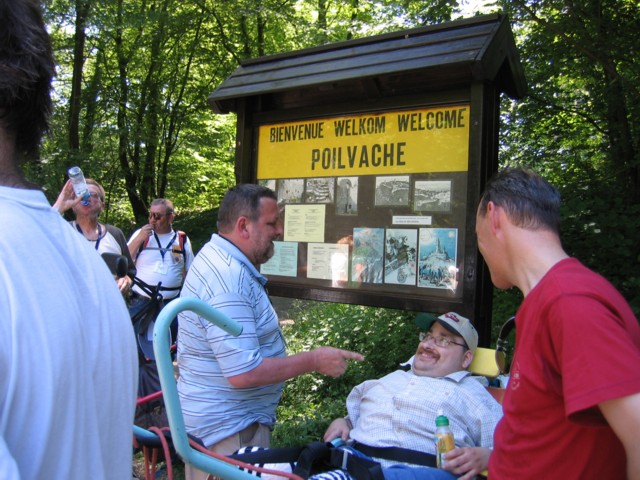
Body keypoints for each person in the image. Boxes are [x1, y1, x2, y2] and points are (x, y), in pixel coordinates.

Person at [0, 0, 138, 478]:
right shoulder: (76, 261)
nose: (90, 203)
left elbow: (129, 269)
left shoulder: (106, 243)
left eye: (95, 198)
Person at [177, 183, 364, 480]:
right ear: (243, 226)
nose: (280, 231)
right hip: (230, 436)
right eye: (272, 223)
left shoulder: (221, 260)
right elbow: (243, 373)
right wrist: (314, 360)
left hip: (222, 429)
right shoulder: (228, 278)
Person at [475, 167, 640, 479]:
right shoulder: (547, 301)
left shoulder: (570, 302)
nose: (479, 246)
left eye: (477, 233)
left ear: (494, 217)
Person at [315, 312, 502, 480]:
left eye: (444, 340)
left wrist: (490, 457)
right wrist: (343, 422)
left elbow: (514, 449)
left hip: (423, 471)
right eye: (428, 336)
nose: (427, 345)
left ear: (466, 358)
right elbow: (352, 419)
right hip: (354, 461)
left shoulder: (473, 394)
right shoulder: (391, 379)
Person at [53, 177, 136, 293]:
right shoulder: (61, 231)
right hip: (72, 304)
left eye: (93, 195)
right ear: (73, 204)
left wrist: (125, 279)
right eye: (81, 194)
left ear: (102, 206)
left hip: (108, 304)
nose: (87, 198)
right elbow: (30, 243)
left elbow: (130, 272)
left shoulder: (115, 233)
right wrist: (59, 206)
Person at [127, 197, 194, 308]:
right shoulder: (141, 234)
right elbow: (124, 259)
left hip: (172, 304)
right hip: (141, 301)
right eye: (150, 215)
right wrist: (139, 238)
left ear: (170, 218)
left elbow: (189, 272)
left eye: (157, 216)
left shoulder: (181, 239)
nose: (152, 220)